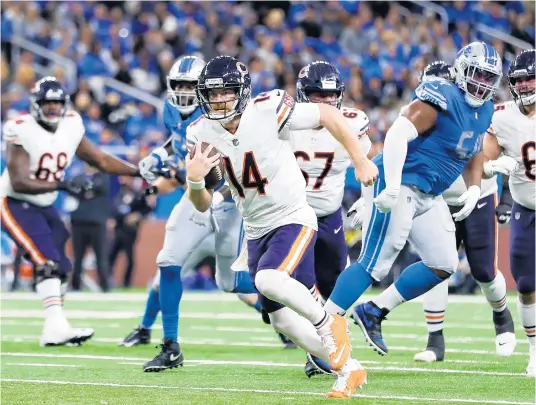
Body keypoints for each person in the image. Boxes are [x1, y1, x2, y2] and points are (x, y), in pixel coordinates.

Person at [186, 55, 377, 398]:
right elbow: (201, 204)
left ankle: (328, 323)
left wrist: (361, 160)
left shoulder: (267, 108)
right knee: (282, 321)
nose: (218, 101)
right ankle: (349, 369)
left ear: (241, 92)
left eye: (226, 92)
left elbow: (329, 113)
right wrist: (195, 182)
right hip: (256, 225)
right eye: (212, 95)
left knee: (268, 279)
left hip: (292, 214)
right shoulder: (200, 132)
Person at [325, 41, 502, 357]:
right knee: (376, 262)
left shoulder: (485, 108)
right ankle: (324, 332)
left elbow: (474, 151)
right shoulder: (442, 95)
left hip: (428, 193)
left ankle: (374, 310)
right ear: (461, 70)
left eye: (489, 78)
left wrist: (474, 187)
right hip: (402, 181)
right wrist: (391, 186)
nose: (482, 84)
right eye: (477, 74)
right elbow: (395, 134)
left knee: (444, 263)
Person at [121, 56, 268, 371]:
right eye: (180, 85)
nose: (186, 92)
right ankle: (170, 345)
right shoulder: (174, 111)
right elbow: (179, 143)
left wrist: (173, 171)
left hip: (229, 199)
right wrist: (159, 154)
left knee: (229, 283)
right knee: (168, 261)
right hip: (196, 192)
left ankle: (280, 300)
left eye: (192, 85)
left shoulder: (228, 116)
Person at [366, 61, 514, 362]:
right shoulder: (419, 114)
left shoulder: (472, 110)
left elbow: (475, 156)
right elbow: (388, 159)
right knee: (437, 266)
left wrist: (495, 181)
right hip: (435, 198)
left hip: (476, 197)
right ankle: (435, 340)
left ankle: (502, 316)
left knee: (484, 270)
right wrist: (366, 199)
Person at [0, 76, 143, 346]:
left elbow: (99, 159)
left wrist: (138, 169)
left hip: (45, 203)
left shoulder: (72, 125)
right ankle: (55, 328)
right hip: (13, 201)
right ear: (35, 105)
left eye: (57, 103)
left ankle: (53, 329)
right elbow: (19, 180)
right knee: (48, 261)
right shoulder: (20, 127)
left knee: (62, 267)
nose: (53, 109)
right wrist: (64, 184)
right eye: (47, 103)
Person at [286, 61, 372, 377]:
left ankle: (330, 344)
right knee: (301, 285)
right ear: (303, 95)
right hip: (293, 215)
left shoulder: (353, 122)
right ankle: (319, 350)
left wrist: (366, 202)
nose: (324, 102)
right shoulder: (286, 123)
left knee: (335, 286)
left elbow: (369, 165)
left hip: (329, 214)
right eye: (316, 95)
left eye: (329, 95)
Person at [483, 49, 536, 377]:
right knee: (527, 282)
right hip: (526, 208)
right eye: (520, 80)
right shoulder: (502, 116)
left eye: (531, 78)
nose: (526, 85)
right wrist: (492, 167)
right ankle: (535, 350)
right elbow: (483, 164)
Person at [70, 164, 112, 292]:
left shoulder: (103, 177)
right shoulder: (78, 176)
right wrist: (89, 189)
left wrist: (85, 189)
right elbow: (72, 188)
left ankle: (104, 285)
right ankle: (75, 285)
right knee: (78, 256)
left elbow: (101, 187)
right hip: (79, 221)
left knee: (100, 255)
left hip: (96, 222)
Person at [108, 178, 156, 288]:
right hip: (118, 229)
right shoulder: (119, 194)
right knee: (111, 255)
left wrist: (137, 215)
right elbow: (114, 209)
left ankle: (126, 283)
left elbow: (147, 209)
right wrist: (113, 219)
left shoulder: (138, 195)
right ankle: (107, 279)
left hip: (130, 230)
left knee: (129, 257)